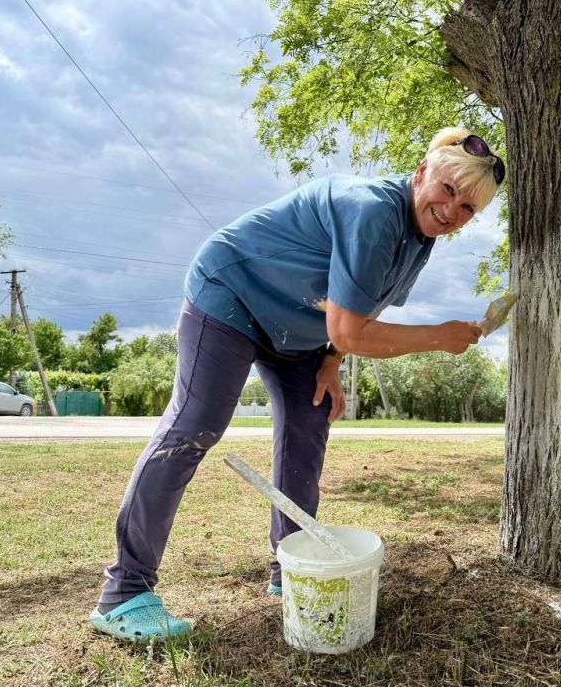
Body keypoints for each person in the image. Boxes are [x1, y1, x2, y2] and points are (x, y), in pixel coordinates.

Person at [89, 127, 505, 640]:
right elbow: (353, 328)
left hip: (299, 330)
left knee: (309, 424)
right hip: (231, 296)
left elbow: (359, 305)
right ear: (422, 174)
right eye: (448, 191)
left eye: (467, 209)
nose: (452, 211)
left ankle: (291, 570)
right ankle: (124, 594)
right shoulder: (372, 210)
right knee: (195, 425)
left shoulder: (420, 240)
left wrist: (331, 362)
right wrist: (438, 338)